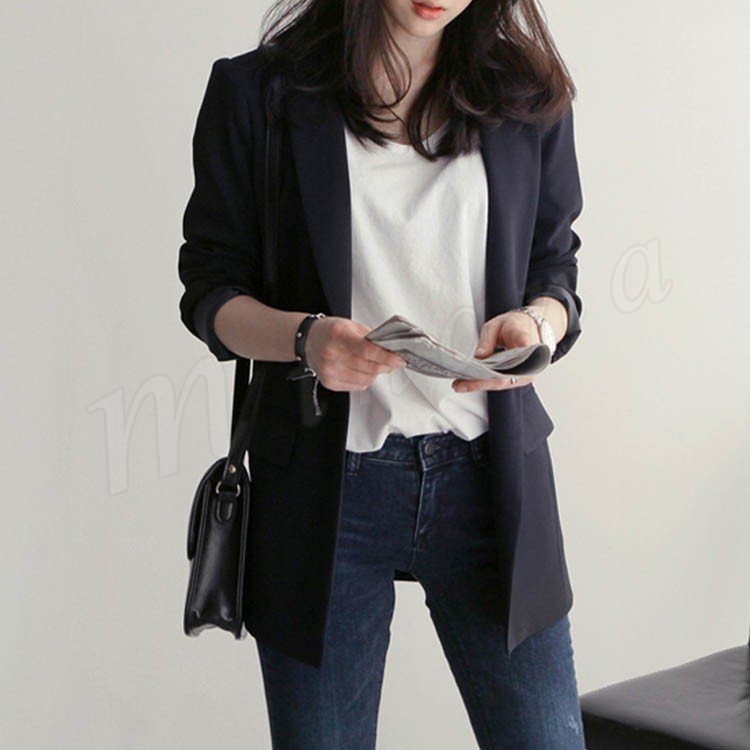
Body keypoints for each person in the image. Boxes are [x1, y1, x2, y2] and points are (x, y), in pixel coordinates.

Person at [178, 0, 586, 747]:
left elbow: (555, 266)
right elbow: (209, 292)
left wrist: (536, 328)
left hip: (490, 481)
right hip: (328, 490)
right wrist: (305, 339)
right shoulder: (260, 94)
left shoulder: (525, 94)